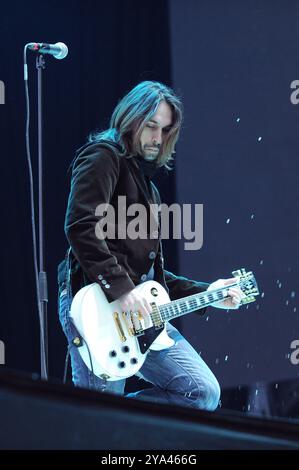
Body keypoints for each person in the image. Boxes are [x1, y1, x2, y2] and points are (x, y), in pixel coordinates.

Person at [57, 81, 244, 411]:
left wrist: (210, 292)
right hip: (95, 303)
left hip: (138, 313)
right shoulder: (103, 157)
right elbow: (80, 227)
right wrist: (124, 291)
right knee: (100, 413)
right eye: (151, 126)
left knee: (200, 392)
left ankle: (119, 422)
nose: (157, 138)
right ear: (131, 118)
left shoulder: (150, 190)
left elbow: (153, 279)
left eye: (165, 129)